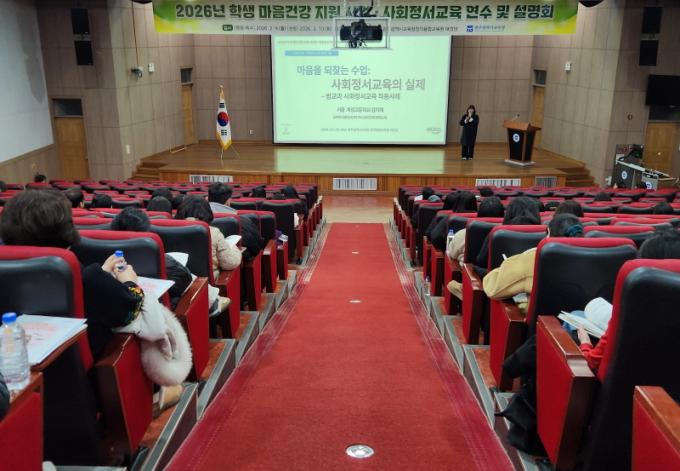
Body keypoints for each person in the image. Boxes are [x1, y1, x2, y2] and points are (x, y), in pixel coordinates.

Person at [0, 190, 142, 360]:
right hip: (90, 369)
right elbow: (130, 311)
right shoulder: (89, 278)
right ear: (65, 230)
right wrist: (130, 282)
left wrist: (103, 274)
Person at [576, 229, 680, 372]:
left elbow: (591, 363)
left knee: (576, 317)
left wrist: (585, 344)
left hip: (628, 384)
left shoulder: (635, 310)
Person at [482, 214, 583, 309]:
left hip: (538, 321)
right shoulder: (590, 262)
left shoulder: (532, 259)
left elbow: (492, 288)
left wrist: (512, 261)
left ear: (548, 232)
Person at [175, 196, 241, 281]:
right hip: (207, 283)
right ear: (207, 212)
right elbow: (230, 263)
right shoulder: (213, 232)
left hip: (179, 281)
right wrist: (234, 247)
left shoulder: (168, 230)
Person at [446, 196, 505, 265]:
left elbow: (451, 254)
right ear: (503, 216)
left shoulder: (463, 234)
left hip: (467, 271)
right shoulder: (509, 237)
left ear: (479, 214)